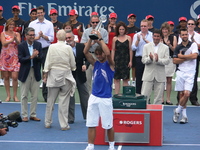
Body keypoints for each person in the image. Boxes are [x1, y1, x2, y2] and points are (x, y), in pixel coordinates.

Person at [83, 31, 115, 150]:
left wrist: (100, 39)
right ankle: (90, 145)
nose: (99, 56)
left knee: (108, 125)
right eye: (97, 54)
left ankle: (112, 145)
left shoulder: (110, 64)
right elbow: (85, 52)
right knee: (91, 124)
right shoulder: (95, 63)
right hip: (94, 97)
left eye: (100, 54)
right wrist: (91, 39)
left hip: (106, 98)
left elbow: (107, 52)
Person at [43, 29, 76, 130]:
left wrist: (45, 73)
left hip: (53, 76)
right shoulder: (68, 48)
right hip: (65, 76)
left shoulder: (51, 47)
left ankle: (47, 122)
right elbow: (72, 63)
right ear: (65, 37)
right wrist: (73, 68)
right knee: (64, 102)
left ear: (57, 36)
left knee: (50, 101)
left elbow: (47, 62)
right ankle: (64, 124)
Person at [29, 5, 54, 102]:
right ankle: (34, 95)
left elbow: (51, 38)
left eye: (41, 12)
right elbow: (28, 38)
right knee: (35, 71)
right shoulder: (32, 23)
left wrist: (43, 36)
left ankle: (46, 95)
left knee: (46, 72)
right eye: (38, 13)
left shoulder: (49, 24)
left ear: (44, 13)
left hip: (46, 49)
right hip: (35, 49)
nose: (39, 14)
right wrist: (36, 38)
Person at [173, 29, 198, 124]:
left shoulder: (193, 45)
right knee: (182, 95)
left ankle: (177, 110)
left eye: (186, 34)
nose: (184, 36)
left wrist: (182, 57)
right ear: (180, 36)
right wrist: (187, 58)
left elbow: (194, 56)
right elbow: (174, 61)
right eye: (183, 34)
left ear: (188, 35)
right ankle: (184, 116)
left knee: (187, 94)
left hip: (190, 73)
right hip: (180, 72)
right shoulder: (178, 47)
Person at [18, 27, 42, 122]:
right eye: (30, 35)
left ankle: (33, 114)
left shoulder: (38, 44)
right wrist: (30, 57)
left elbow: (42, 58)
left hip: (35, 72)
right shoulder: (21, 46)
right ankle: (24, 115)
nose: (32, 36)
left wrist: (38, 56)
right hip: (25, 73)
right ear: (26, 36)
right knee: (24, 95)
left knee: (35, 95)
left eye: (33, 35)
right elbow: (20, 59)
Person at [65, 30, 89, 124]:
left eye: (69, 38)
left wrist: (86, 65)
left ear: (73, 37)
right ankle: (70, 118)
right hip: (69, 76)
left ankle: (88, 116)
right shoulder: (64, 48)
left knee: (85, 96)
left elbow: (87, 58)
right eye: (66, 38)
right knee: (70, 98)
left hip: (80, 75)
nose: (68, 40)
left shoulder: (81, 46)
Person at [81, 15, 108, 93]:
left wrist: (98, 39)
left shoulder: (104, 31)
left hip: (100, 56)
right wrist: (91, 42)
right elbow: (83, 44)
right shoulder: (86, 31)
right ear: (90, 22)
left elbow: (105, 45)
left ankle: (100, 93)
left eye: (97, 22)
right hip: (90, 55)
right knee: (88, 77)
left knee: (100, 76)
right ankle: (89, 96)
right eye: (93, 22)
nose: (95, 24)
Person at [141, 29, 169, 104]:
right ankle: (144, 113)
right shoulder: (146, 46)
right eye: (155, 36)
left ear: (160, 37)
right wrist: (150, 59)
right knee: (144, 96)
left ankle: (157, 114)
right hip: (148, 74)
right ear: (152, 36)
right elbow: (143, 60)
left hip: (160, 75)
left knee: (158, 98)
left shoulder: (165, 48)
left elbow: (167, 61)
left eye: (158, 36)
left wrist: (158, 60)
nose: (156, 38)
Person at [177, 19, 200, 106]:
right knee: (181, 79)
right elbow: (179, 46)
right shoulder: (182, 35)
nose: (190, 25)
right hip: (182, 60)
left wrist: (194, 42)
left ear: (195, 25)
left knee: (193, 79)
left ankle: (193, 99)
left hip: (193, 60)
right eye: (189, 24)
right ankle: (179, 99)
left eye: (192, 24)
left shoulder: (197, 35)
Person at [0, 18, 21, 102]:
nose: (12, 26)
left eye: (13, 25)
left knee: (15, 77)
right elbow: (3, 43)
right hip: (5, 57)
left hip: (14, 57)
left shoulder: (17, 34)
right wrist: (12, 40)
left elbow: (19, 43)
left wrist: (15, 38)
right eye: (10, 24)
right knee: (6, 77)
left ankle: (15, 96)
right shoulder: (3, 33)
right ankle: (8, 95)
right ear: (7, 25)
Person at [132, 19, 153, 95]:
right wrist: (138, 40)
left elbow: (153, 46)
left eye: (145, 26)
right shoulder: (136, 35)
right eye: (141, 26)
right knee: (139, 78)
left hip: (148, 58)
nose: (143, 28)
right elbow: (133, 48)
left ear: (148, 27)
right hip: (139, 58)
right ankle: (138, 95)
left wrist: (144, 40)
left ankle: (147, 96)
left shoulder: (151, 35)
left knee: (148, 79)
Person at [111, 21, 132, 94]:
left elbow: (130, 50)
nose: (121, 31)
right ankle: (116, 95)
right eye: (120, 29)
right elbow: (113, 50)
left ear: (125, 30)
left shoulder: (129, 38)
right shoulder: (115, 39)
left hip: (126, 60)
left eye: (123, 29)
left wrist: (130, 61)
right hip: (117, 60)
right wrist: (112, 61)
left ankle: (125, 95)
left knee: (125, 79)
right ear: (118, 30)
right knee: (116, 79)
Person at [160, 22, 177, 105]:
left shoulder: (173, 37)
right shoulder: (160, 38)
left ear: (169, 30)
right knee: (162, 80)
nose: (165, 30)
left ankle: (168, 99)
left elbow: (175, 50)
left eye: (166, 29)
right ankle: (162, 99)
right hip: (162, 60)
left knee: (169, 80)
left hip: (170, 60)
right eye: (163, 29)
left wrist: (169, 44)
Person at [126, 13, 140, 86]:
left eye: (133, 19)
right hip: (126, 51)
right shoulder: (125, 29)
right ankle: (128, 81)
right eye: (130, 18)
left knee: (134, 67)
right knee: (127, 67)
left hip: (134, 51)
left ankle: (133, 81)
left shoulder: (137, 29)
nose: (132, 20)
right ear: (128, 19)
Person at [0, 6, 6, 86]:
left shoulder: (5, 22)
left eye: (0, 11)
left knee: (1, 62)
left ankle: (1, 78)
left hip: (2, 43)